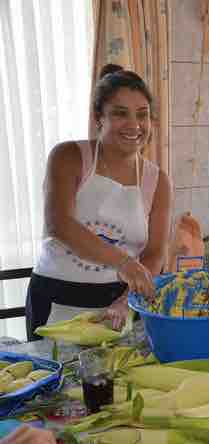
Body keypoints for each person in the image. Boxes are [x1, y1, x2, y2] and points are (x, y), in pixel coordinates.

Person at [26, 64, 172, 340]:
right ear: (98, 118)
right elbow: (59, 224)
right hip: (57, 295)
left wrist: (128, 301)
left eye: (143, 115)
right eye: (120, 113)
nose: (134, 125)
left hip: (119, 306)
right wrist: (125, 263)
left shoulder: (158, 181)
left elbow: (154, 253)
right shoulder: (68, 156)